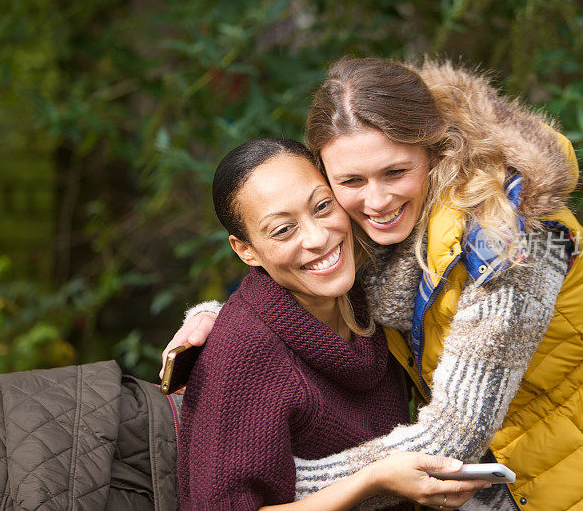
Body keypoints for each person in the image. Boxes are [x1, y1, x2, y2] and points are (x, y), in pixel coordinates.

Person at [166, 58, 583, 510]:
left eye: (394, 173)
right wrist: (219, 316)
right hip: (514, 456)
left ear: (434, 152)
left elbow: (451, 439)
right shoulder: (379, 224)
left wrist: (289, 482)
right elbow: (300, 256)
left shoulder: (510, 245)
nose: (375, 201)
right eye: (349, 182)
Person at [176, 137, 488, 510]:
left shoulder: (373, 289)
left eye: (323, 206)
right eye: (283, 230)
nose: (318, 237)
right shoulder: (244, 350)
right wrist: (371, 480)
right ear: (246, 250)